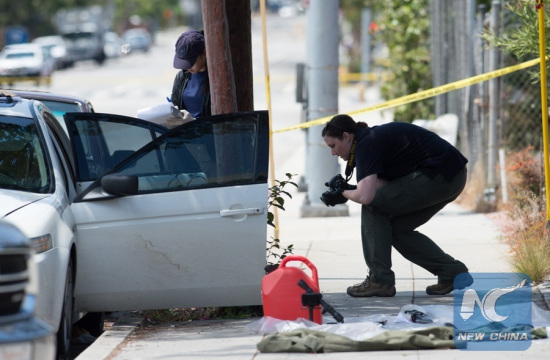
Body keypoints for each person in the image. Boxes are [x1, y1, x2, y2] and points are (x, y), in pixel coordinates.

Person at [320, 114, 472, 298]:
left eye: (333, 146)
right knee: (396, 230)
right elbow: (381, 187)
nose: (332, 153)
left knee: (374, 208)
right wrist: (348, 190)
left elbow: (367, 197)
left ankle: (380, 280)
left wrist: (342, 192)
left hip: (440, 175)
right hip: (451, 176)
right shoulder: (367, 140)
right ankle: (452, 273)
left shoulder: (366, 144)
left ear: (346, 136)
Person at [171, 29, 211, 120]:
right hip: (186, 132)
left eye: (190, 62)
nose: (187, 67)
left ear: (204, 53)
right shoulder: (182, 76)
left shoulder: (217, 78)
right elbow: (174, 104)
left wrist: (192, 122)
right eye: (183, 62)